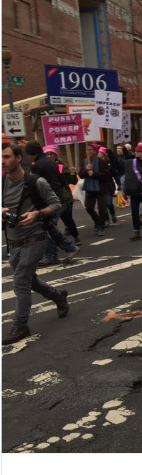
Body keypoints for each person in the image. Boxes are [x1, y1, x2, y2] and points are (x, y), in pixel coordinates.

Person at [1, 143, 69, 344]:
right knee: (30, 280)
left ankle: (20, 326)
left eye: (6, 157)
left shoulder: (36, 182)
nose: (2, 161)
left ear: (18, 158)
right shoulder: (2, 182)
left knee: (21, 281)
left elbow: (57, 204)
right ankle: (58, 296)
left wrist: (37, 213)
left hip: (35, 238)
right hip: (13, 241)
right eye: (1, 158)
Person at [23, 140, 78, 265]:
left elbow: (34, 184)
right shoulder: (51, 163)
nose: (29, 157)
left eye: (28, 154)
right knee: (48, 227)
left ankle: (68, 248)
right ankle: (53, 255)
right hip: (59, 197)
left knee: (47, 228)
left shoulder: (37, 166)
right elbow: (62, 180)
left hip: (50, 201)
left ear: (32, 153)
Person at [43, 145, 80, 247]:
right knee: (58, 219)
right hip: (51, 197)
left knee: (68, 218)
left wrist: (73, 173)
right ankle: (58, 239)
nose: (49, 156)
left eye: (51, 154)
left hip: (65, 196)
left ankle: (75, 236)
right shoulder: (42, 167)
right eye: (47, 154)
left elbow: (72, 182)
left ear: (55, 155)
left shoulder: (63, 166)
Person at [78, 143, 110, 236]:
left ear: (95, 151)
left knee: (102, 209)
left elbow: (106, 175)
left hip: (100, 189)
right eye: (87, 150)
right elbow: (81, 175)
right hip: (89, 188)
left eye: (90, 150)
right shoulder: (84, 162)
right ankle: (97, 221)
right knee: (89, 208)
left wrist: (94, 174)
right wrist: (86, 171)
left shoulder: (101, 162)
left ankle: (101, 227)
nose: (88, 151)